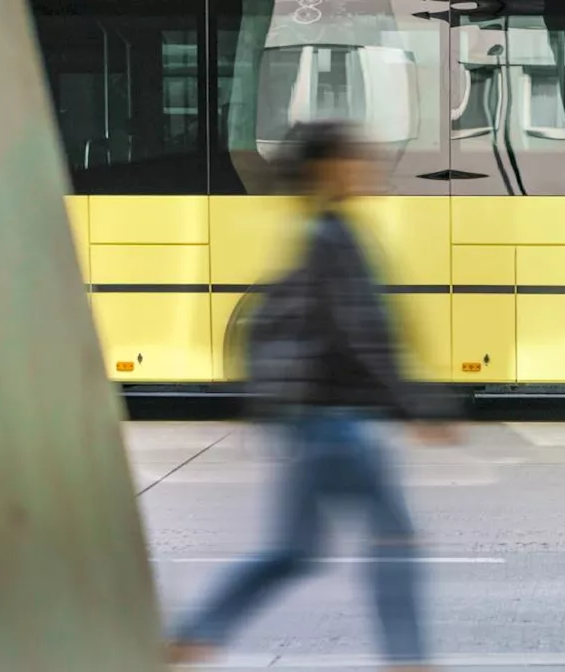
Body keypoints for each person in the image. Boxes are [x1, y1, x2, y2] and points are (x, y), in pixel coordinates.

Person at [165, 120, 457, 671]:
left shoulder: (318, 233)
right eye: (356, 157)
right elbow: (366, 335)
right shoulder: (336, 239)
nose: (368, 166)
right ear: (329, 168)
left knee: (293, 551)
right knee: (394, 541)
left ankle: (196, 633)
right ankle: (409, 660)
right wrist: (419, 407)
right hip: (339, 426)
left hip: (315, 424)